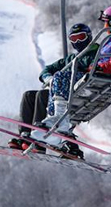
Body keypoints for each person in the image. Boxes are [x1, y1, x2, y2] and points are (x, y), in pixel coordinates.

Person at [31, 5, 111, 150]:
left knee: (61, 76)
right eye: (73, 38)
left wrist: (95, 68)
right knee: (54, 80)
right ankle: (53, 122)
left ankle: (58, 121)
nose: (105, 26)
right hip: (98, 74)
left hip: (104, 76)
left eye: (107, 22)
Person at [8, 23, 94, 155]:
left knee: (42, 95)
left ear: (88, 37)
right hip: (65, 90)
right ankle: (25, 134)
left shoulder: (95, 52)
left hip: (76, 91)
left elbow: (92, 65)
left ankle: (37, 138)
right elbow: (47, 70)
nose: (77, 42)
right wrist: (48, 78)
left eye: (81, 37)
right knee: (28, 96)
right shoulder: (71, 58)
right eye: (74, 39)